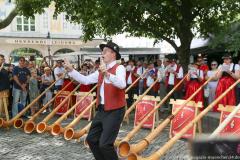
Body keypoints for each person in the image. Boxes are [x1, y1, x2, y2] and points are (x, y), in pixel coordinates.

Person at [65, 41, 126, 160]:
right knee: (91, 139)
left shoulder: (120, 68)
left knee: (105, 144)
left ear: (113, 54)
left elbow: (122, 84)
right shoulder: (100, 70)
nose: (102, 54)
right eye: (102, 52)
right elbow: (85, 80)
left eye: (105, 51)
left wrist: (107, 74)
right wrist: (71, 71)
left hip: (115, 111)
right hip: (102, 109)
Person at [0, 54, 10, 119]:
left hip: (6, 89)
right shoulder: (1, 68)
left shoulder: (4, 68)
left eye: (3, 59)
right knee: (0, 106)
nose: (2, 60)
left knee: (5, 105)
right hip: (0, 90)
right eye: (1, 59)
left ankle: (3, 120)